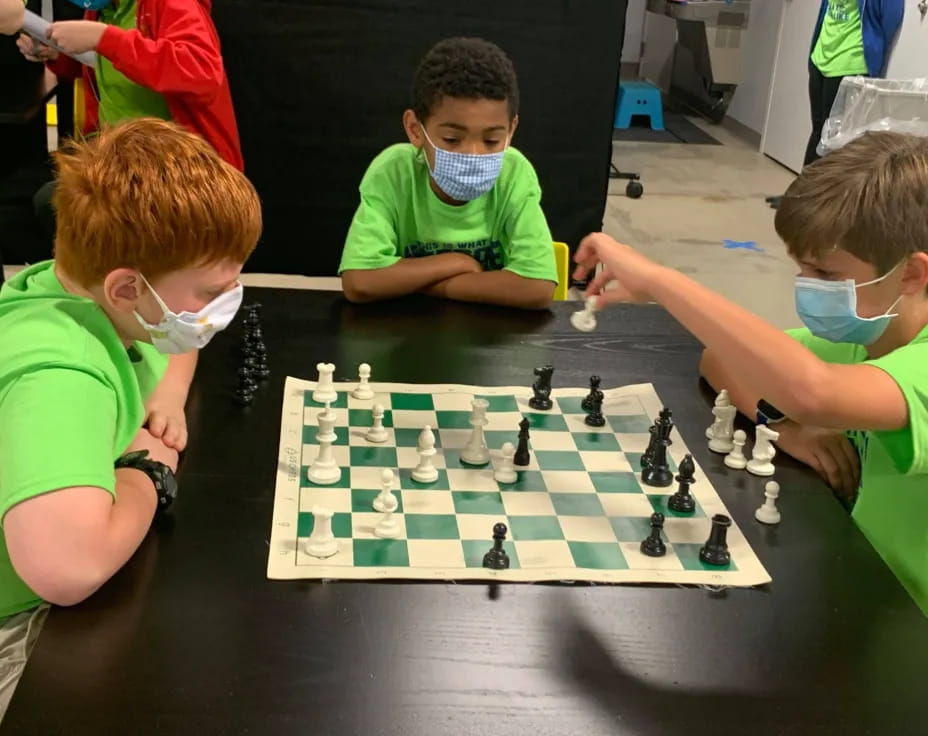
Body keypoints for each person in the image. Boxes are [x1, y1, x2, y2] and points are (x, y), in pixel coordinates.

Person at [574, 131, 928, 616]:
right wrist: (784, 427)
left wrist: (659, 281)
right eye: (802, 269)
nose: (806, 287)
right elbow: (720, 359)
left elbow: (816, 391)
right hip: (851, 580)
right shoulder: (868, 331)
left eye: (826, 275)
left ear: (911, 274)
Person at [0, 118, 261, 714]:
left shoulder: (80, 289)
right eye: (211, 292)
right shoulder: (60, 376)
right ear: (126, 289)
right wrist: (149, 471)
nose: (222, 305)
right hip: (19, 627)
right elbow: (67, 569)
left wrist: (167, 394)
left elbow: (178, 336)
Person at [339, 37, 557, 310]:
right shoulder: (393, 172)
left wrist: (427, 284)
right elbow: (360, 281)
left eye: (491, 141)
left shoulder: (514, 174)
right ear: (416, 130)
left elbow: (538, 287)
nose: (473, 155)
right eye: (452, 139)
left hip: (489, 332)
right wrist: (456, 262)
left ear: (511, 130)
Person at [17, 0, 243, 243]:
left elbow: (201, 71)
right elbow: (106, 65)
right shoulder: (102, 10)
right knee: (52, 206)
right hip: (120, 161)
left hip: (177, 171)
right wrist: (57, 54)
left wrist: (106, 38)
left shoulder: (170, 4)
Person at [805, 0, 904, 167]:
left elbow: (891, 19)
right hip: (820, 57)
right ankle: (804, 184)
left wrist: (872, 49)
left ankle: (821, 184)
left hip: (850, 62)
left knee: (832, 140)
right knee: (818, 131)